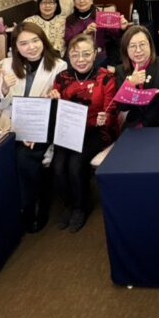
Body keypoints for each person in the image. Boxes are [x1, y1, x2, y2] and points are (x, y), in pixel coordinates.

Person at [0, 23, 66, 233]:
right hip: (12, 124)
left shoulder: (58, 65)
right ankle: (13, 204)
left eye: (35, 41)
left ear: (43, 40)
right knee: (2, 156)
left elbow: (60, 106)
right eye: (24, 43)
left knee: (25, 157)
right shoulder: (7, 65)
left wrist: (54, 97)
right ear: (15, 47)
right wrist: (4, 89)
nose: (31, 47)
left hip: (42, 123)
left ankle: (34, 203)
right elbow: (0, 105)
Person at [49, 34, 118, 233]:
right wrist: (54, 100)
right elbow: (58, 110)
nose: (81, 59)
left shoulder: (106, 77)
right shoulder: (62, 78)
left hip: (96, 130)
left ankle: (81, 207)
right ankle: (68, 204)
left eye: (86, 54)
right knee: (57, 166)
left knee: (75, 164)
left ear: (95, 54)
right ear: (68, 56)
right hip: (69, 130)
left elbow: (111, 110)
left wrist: (106, 117)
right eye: (75, 54)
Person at [114, 26, 159, 128]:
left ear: (150, 45)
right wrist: (130, 85)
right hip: (134, 127)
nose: (138, 50)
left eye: (142, 44)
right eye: (132, 46)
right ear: (125, 49)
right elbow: (122, 107)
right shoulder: (121, 70)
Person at [64, 0, 126, 66]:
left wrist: (121, 28)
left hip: (99, 56)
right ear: (74, 3)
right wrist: (84, 32)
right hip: (78, 56)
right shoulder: (70, 20)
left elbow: (114, 34)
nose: (81, 1)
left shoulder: (101, 16)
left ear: (91, 1)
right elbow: (68, 40)